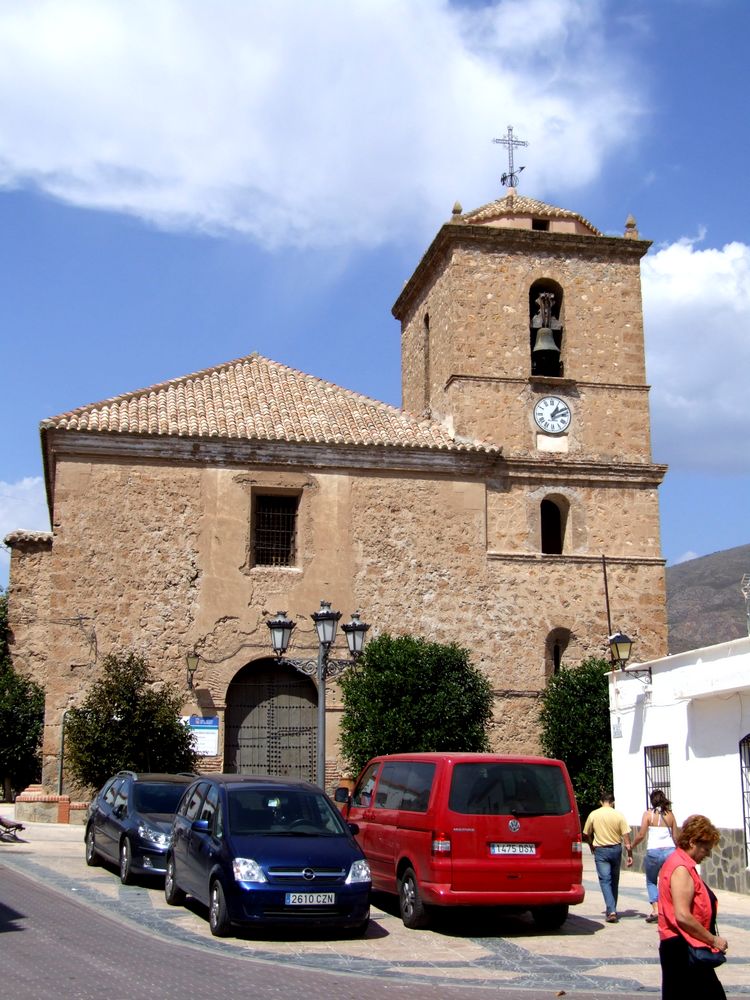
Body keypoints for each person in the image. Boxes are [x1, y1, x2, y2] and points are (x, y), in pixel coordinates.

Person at [658, 814, 728, 999]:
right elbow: (682, 915)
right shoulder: (680, 868)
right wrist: (713, 940)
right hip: (682, 949)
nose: (708, 854)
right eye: (705, 848)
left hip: (684, 947)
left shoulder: (682, 864)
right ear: (692, 842)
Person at [582, 792, 633, 923]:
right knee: (614, 880)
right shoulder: (619, 815)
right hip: (616, 849)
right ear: (613, 802)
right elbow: (626, 836)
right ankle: (612, 908)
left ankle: (611, 910)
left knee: (605, 880)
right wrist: (630, 853)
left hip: (600, 850)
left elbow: (586, 833)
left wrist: (591, 844)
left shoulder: (594, 814)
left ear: (601, 801)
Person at [632, 788, 677, 922]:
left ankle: (656, 910)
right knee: (668, 881)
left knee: (651, 881)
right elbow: (676, 836)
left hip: (653, 851)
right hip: (670, 851)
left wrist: (632, 845)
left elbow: (641, 835)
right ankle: (670, 908)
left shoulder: (648, 814)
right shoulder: (670, 815)